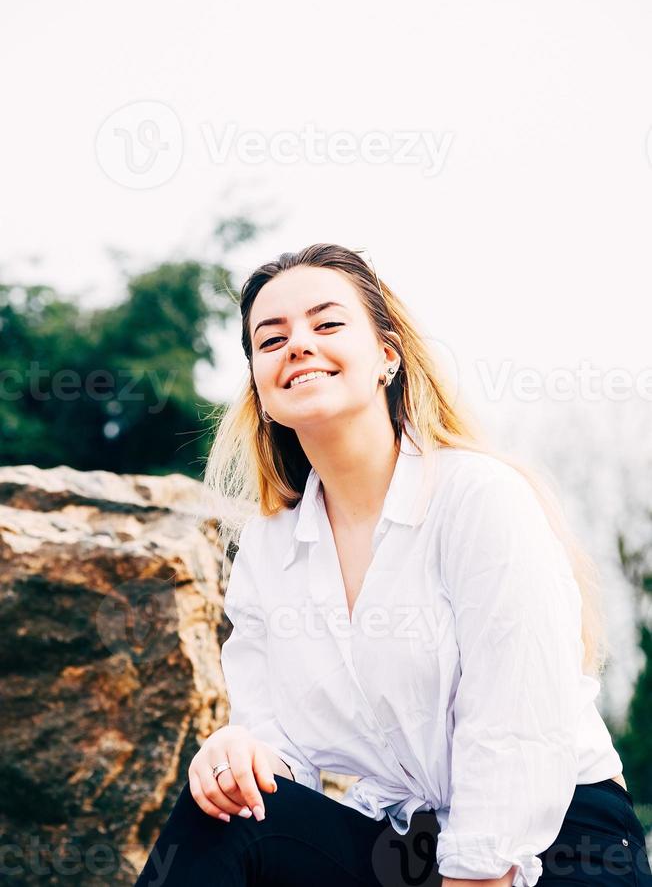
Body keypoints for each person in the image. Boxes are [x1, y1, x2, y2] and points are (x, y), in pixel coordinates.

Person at [135, 243, 651, 887]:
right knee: (226, 814)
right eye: (271, 340)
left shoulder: (477, 499)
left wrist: (476, 873)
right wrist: (238, 751)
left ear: (387, 355)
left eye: (327, 325)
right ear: (263, 393)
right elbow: (280, 752)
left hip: (556, 844)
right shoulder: (269, 546)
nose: (298, 345)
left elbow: (517, 726)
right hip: (407, 847)